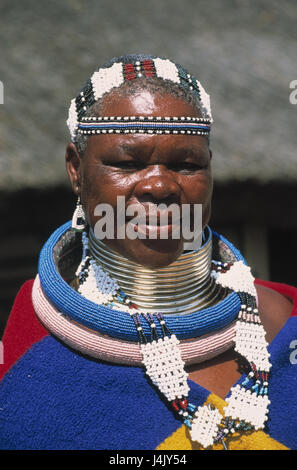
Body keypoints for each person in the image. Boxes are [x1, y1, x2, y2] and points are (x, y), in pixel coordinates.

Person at [0, 55, 296, 451]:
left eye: (186, 164)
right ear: (76, 169)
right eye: (128, 163)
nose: (160, 186)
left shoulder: (283, 322)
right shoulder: (31, 362)